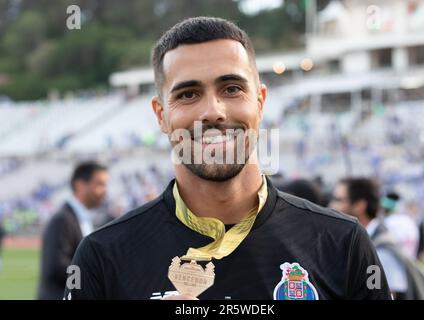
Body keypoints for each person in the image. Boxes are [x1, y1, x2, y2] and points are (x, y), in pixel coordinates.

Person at [64, 17, 390, 300]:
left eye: (232, 89)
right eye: (188, 94)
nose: (213, 112)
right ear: (161, 115)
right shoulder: (102, 255)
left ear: (260, 102)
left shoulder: (342, 242)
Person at [330, 177, 424, 300]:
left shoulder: (380, 249)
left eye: (339, 200)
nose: (331, 205)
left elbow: (386, 295)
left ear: (359, 205)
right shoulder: (371, 241)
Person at [38, 161, 108, 300]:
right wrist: (95, 273)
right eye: (99, 184)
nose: (105, 190)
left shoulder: (82, 218)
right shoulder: (63, 220)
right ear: (80, 185)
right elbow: (55, 267)